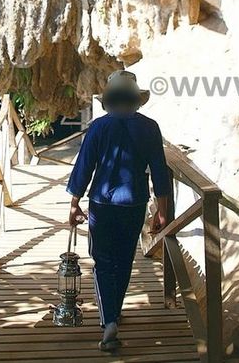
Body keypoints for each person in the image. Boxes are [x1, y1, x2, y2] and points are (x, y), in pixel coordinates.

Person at [66, 70, 172, 352]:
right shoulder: (150, 128)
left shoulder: (99, 128)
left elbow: (84, 167)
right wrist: (162, 211)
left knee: (102, 260)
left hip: (102, 203)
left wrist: (74, 203)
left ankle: (109, 320)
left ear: (109, 101)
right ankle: (114, 310)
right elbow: (160, 173)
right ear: (136, 101)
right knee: (124, 259)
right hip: (135, 202)